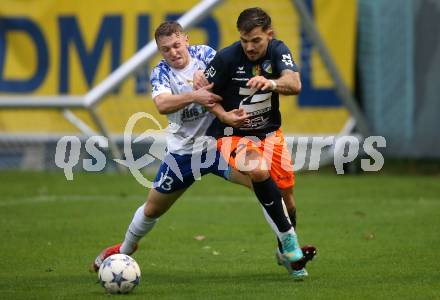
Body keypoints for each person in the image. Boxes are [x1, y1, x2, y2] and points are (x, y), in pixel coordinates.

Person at [91, 21, 250, 272]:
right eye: (166, 49)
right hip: (183, 154)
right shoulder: (161, 72)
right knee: (153, 208)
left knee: (261, 181)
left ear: (186, 40)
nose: (173, 52)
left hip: (217, 145)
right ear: (160, 51)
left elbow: (227, 77)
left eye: (176, 45)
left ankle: (285, 247)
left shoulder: (205, 55)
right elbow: (162, 105)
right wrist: (194, 96)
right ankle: (125, 249)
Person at [195, 7, 316, 278]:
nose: (249, 47)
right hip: (232, 135)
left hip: (271, 135)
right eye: (244, 40)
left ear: (269, 35)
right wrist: (224, 115)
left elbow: (294, 84)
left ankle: (285, 255)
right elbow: (202, 94)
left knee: (289, 201)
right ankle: (291, 245)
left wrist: (270, 83)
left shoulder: (278, 50)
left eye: (256, 41)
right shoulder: (226, 58)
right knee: (259, 170)